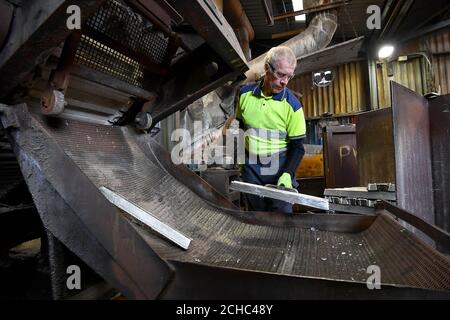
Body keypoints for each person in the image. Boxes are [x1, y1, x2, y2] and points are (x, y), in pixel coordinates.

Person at [235, 46, 306, 214]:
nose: (285, 82)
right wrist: (241, 164)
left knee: (281, 223)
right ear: (267, 68)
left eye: (289, 76)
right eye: (281, 74)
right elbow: (239, 129)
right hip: (251, 169)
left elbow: (298, 148)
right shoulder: (244, 95)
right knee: (256, 219)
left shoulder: (293, 106)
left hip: (279, 168)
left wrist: (288, 173)